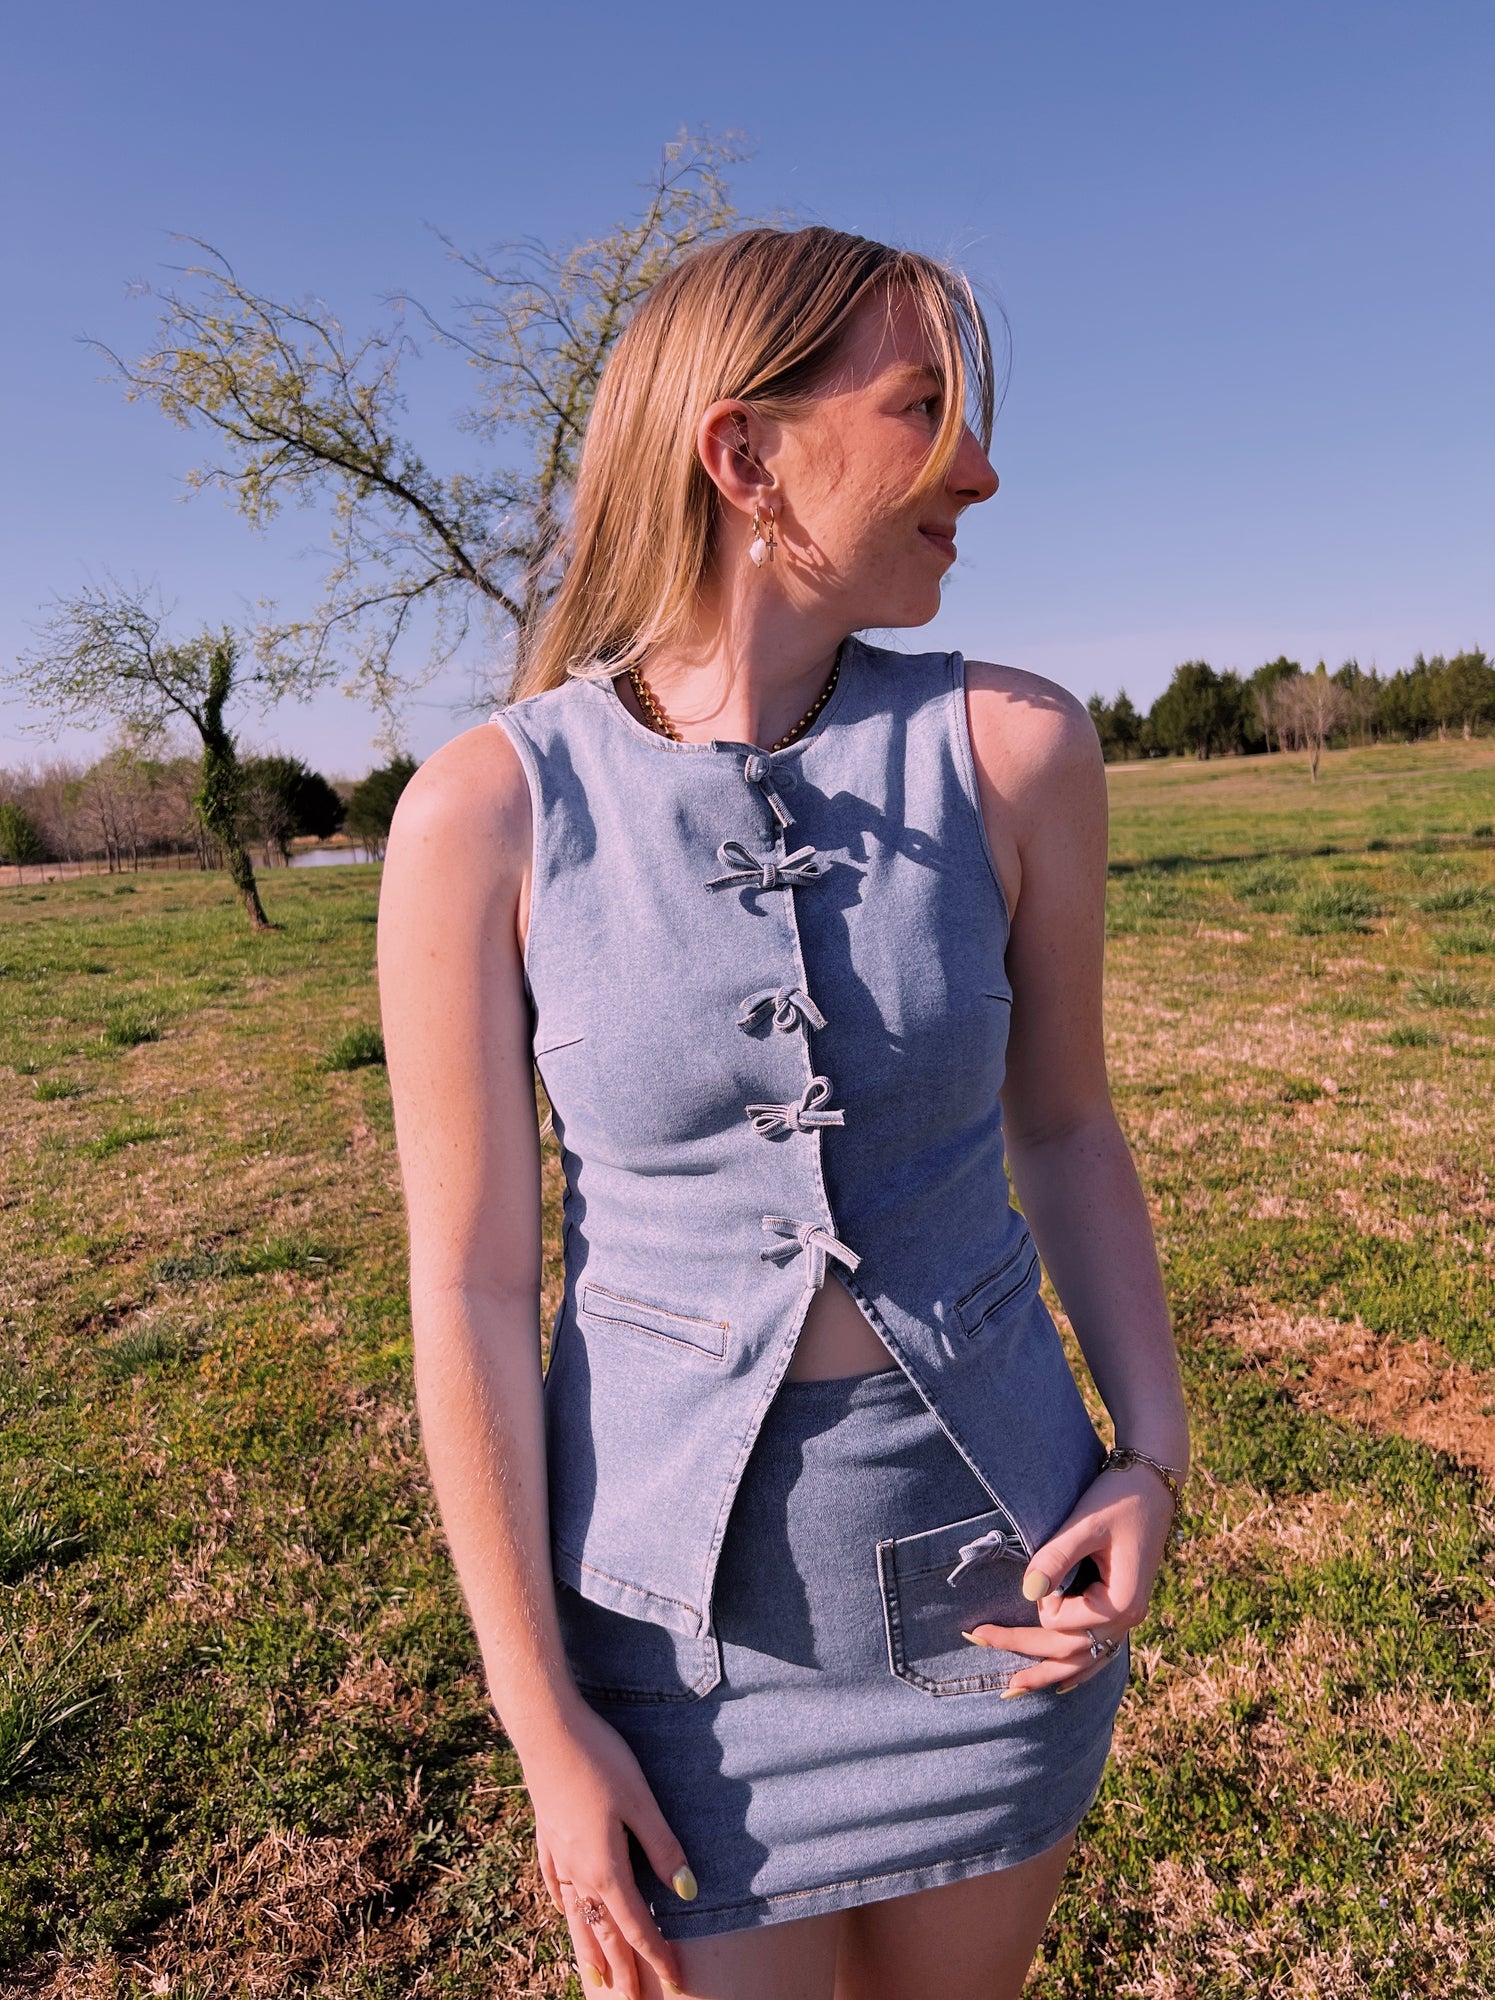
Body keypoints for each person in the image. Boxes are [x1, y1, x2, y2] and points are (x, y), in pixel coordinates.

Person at [377, 225, 1191, 2000]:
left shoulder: (1017, 752)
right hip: (666, 1652)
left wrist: (1151, 1453)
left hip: (1002, 1598)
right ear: (744, 455)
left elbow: (1067, 1126)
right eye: (923, 409)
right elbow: (469, 1288)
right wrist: (540, 1719)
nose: (978, 470)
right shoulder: (484, 815)